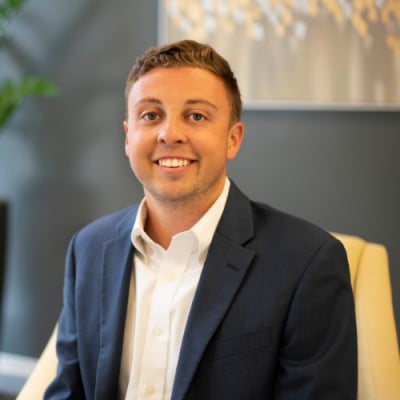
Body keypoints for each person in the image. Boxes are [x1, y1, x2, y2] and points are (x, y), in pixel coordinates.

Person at [44, 40, 357, 399]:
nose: (170, 134)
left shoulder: (307, 264)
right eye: (151, 115)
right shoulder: (88, 249)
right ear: (128, 137)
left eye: (196, 116)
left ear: (232, 139)